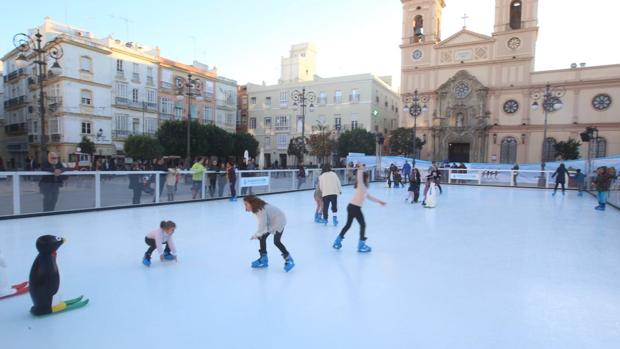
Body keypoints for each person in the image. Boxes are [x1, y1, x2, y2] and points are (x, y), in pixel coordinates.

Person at [332, 164, 386, 253]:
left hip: (352, 207)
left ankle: (337, 241)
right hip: (354, 208)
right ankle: (361, 245)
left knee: (348, 225)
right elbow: (359, 178)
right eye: (368, 178)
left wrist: (380, 202)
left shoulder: (363, 188)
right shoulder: (361, 185)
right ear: (365, 179)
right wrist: (360, 169)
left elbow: (370, 197)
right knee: (362, 225)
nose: (369, 179)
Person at [244, 195, 294, 272]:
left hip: (279, 221)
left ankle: (289, 259)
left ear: (251, 203)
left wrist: (256, 235)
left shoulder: (260, 209)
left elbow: (262, 225)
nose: (245, 207)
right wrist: (259, 234)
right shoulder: (258, 208)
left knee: (276, 241)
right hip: (272, 221)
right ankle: (264, 259)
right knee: (262, 237)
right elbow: (262, 225)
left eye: (246, 204)